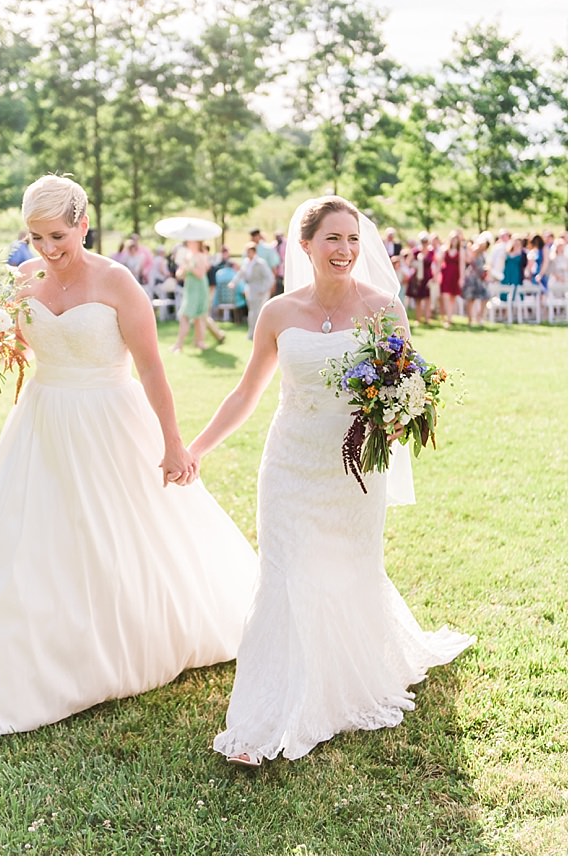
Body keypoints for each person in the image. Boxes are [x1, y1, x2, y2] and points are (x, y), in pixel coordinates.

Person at [0, 174, 257, 736]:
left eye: (58, 236)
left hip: (112, 420)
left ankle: (136, 637)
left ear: (83, 224)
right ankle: (52, 656)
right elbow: (16, 349)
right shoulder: (22, 280)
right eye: (36, 236)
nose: (47, 249)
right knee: (37, 539)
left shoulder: (118, 282)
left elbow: (151, 368)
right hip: (43, 420)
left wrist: (172, 442)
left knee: (129, 534)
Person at [188, 195, 475, 766]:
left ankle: (344, 682)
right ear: (306, 246)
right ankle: (265, 716)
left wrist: (397, 418)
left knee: (346, 568)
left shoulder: (385, 307)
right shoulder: (277, 313)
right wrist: (195, 449)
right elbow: (247, 393)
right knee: (285, 575)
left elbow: (405, 388)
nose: (345, 250)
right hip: (290, 464)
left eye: (352, 239)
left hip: (356, 471)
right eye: (332, 240)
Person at [170, 239, 221, 351]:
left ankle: (183, 344)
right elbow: (179, 274)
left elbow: (200, 274)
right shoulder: (187, 255)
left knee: (192, 316)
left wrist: (189, 266)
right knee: (191, 316)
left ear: (197, 242)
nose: (188, 242)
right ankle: (195, 342)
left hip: (199, 288)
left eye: (191, 241)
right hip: (189, 288)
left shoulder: (201, 256)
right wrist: (183, 267)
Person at [233, 242, 275, 339]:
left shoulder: (260, 263)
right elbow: (241, 274)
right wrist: (233, 282)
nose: (248, 254)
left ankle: (260, 334)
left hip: (260, 291)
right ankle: (252, 333)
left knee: (258, 312)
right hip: (251, 291)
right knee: (252, 312)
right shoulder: (246, 262)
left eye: (249, 252)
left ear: (254, 252)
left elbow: (270, 278)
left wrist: (264, 289)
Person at [438, 230, 465, 327]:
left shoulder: (460, 251)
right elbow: (439, 263)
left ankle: (449, 318)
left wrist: (461, 278)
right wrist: (437, 275)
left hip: (455, 276)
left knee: (452, 298)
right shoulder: (445, 250)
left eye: (456, 239)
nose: (454, 241)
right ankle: (447, 318)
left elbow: (462, 265)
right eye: (453, 239)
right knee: (445, 296)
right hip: (446, 275)